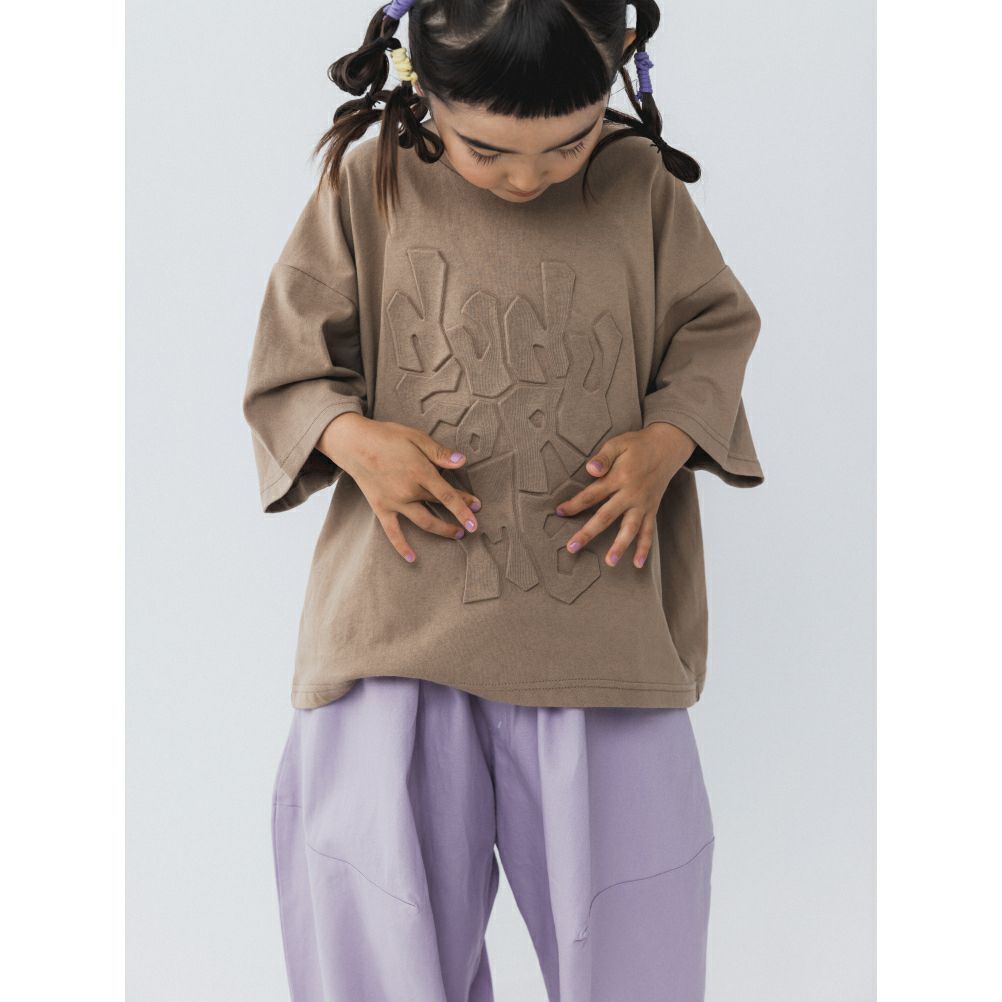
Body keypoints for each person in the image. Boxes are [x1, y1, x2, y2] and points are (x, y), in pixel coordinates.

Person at [242, 1, 764, 999]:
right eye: (487, 150)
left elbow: (713, 328)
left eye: (569, 142)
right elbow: (288, 367)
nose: (530, 178)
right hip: (392, 640)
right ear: (420, 80)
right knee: (376, 944)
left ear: (619, 66)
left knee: (636, 946)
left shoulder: (638, 184)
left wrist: (665, 443)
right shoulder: (370, 182)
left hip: (599, 642)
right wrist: (353, 440)